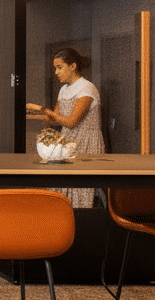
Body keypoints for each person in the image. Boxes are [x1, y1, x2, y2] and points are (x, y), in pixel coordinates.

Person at [26, 47, 105, 207]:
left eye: (60, 67)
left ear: (73, 66)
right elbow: (56, 120)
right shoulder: (64, 90)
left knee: (80, 184)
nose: (56, 72)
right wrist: (37, 115)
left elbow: (71, 122)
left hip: (86, 141)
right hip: (68, 140)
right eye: (55, 68)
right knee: (62, 184)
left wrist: (43, 109)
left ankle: (83, 219)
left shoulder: (87, 88)